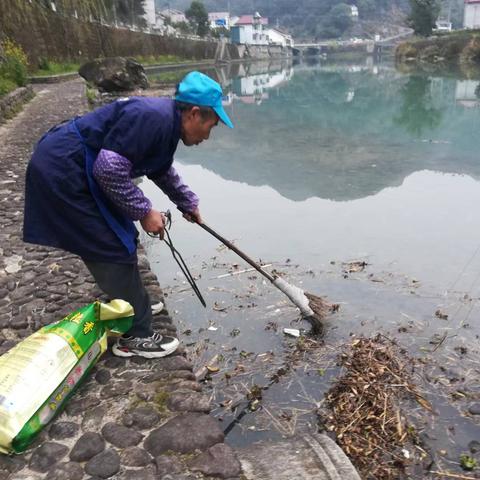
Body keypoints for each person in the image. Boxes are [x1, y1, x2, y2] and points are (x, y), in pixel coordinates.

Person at [23, 71, 234, 359]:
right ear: (194, 114)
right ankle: (135, 334)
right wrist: (145, 211)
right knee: (108, 244)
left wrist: (187, 202)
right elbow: (108, 170)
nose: (208, 135)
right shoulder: (154, 119)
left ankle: (131, 303)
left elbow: (159, 168)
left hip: (81, 168)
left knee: (123, 235)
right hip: (65, 170)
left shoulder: (166, 123)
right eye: (211, 125)